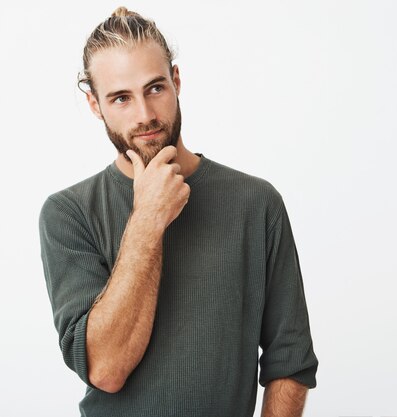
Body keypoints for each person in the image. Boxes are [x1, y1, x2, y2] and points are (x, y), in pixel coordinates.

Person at [38, 7, 318, 417]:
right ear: (95, 105)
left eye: (155, 88)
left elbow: (290, 361)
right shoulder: (68, 214)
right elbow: (105, 369)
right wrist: (148, 217)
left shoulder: (256, 203)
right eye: (120, 98)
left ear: (177, 81)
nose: (144, 115)